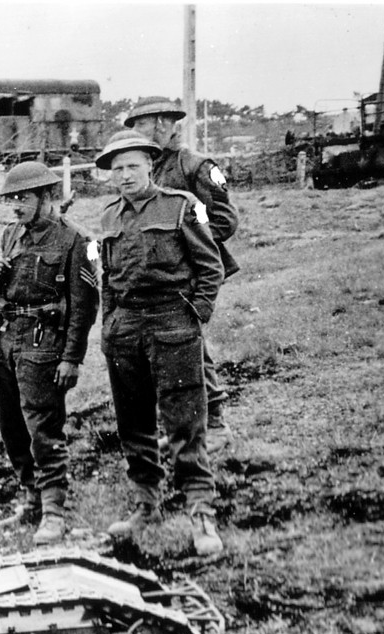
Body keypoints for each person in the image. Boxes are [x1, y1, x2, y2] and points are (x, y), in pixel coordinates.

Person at [94, 130, 224, 556]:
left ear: (150, 165)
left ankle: (201, 512)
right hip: (125, 329)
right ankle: (145, 505)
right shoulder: (108, 217)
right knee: (133, 424)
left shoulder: (183, 205)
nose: (125, 175)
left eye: (133, 166)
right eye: (117, 169)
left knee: (185, 422)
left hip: (172, 323)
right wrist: (109, 324)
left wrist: (195, 314)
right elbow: (106, 275)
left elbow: (211, 266)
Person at [0, 161, 100, 544]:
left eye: (23, 198)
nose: (15, 206)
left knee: (43, 429)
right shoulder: (11, 235)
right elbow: (3, 289)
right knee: (12, 428)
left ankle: (54, 511)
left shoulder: (77, 240)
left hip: (44, 345)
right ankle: (31, 497)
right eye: (12, 199)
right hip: (6, 341)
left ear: (46, 197)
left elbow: (84, 306)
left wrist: (72, 358)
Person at [125, 97, 239, 450]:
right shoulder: (150, 168)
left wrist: (187, 238)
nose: (135, 133)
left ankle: (215, 425)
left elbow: (223, 219)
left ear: (162, 123)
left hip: (188, 276)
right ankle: (185, 427)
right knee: (172, 353)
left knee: (192, 350)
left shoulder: (198, 166)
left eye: (140, 125)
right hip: (160, 279)